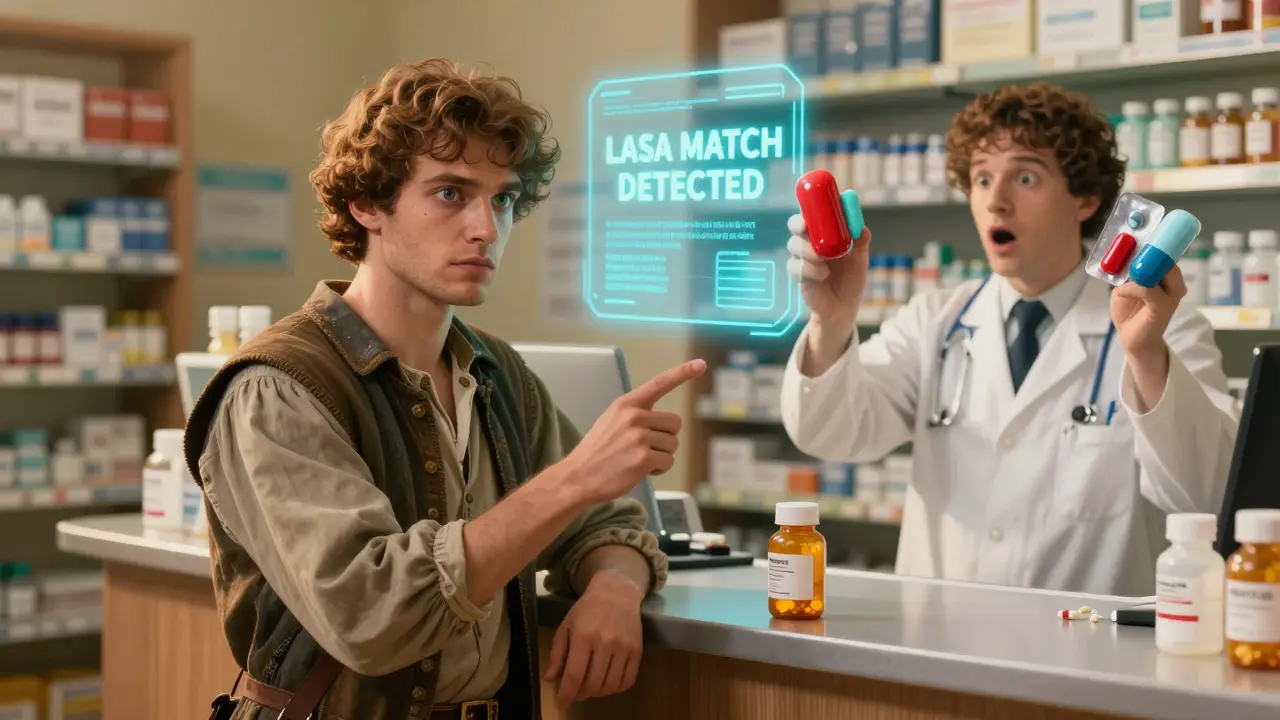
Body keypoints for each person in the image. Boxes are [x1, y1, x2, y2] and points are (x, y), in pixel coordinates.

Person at [183, 59, 705, 720]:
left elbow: (609, 525)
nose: (487, 227)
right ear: (366, 203)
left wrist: (612, 588)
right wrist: (573, 479)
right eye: (452, 193)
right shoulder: (276, 388)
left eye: (504, 199)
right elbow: (374, 613)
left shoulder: (497, 374)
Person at [780, 83, 1239, 597]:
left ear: (1086, 199)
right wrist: (832, 320)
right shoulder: (935, 320)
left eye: (1025, 177)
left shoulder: (1165, 325)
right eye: (981, 178)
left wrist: (1148, 356)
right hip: (940, 645)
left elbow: (1209, 492)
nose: (996, 201)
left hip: (1089, 658)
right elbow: (829, 434)